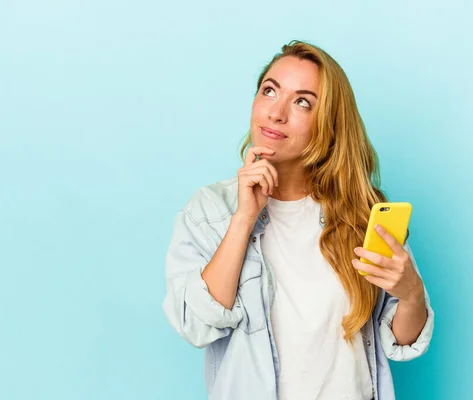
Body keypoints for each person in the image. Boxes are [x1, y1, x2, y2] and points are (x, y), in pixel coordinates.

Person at [162, 40, 434, 400]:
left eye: (303, 101)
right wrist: (244, 218)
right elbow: (195, 324)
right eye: (269, 91)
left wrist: (412, 293)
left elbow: (403, 342)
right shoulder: (209, 210)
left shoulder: (361, 214)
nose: (276, 113)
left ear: (330, 125)